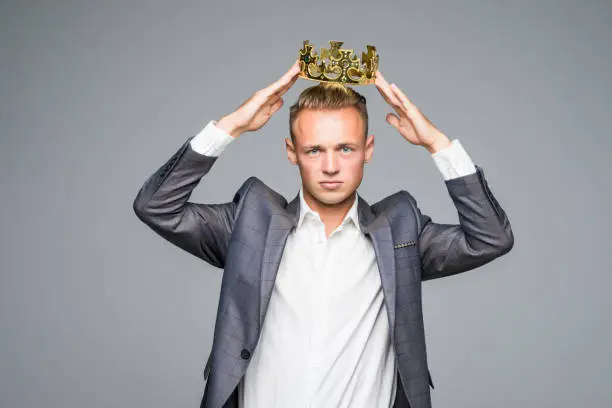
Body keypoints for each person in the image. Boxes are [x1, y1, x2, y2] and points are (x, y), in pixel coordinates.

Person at [133, 59, 514, 408]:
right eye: (314, 150)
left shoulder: (399, 231)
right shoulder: (251, 225)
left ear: (368, 150)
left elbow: (489, 238)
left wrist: (437, 144)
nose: (331, 166)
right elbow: (157, 206)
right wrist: (229, 126)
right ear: (291, 152)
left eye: (345, 148)